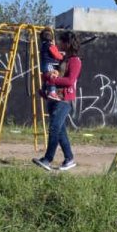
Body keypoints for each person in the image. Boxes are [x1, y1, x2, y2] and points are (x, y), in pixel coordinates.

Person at [32, 31, 81, 171]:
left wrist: (52, 79)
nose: (59, 44)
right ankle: (69, 159)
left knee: (54, 128)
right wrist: (46, 87)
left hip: (64, 100)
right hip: (55, 98)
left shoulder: (75, 61)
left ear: (68, 43)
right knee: (60, 131)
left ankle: (47, 159)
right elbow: (57, 75)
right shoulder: (64, 59)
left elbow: (70, 81)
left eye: (62, 41)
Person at [39, 27, 64, 101]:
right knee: (53, 76)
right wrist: (62, 56)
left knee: (47, 79)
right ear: (51, 38)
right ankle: (52, 92)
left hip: (44, 64)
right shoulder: (50, 45)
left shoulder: (43, 46)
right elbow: (56, 55)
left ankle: (43, 90)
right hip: (49, 64)